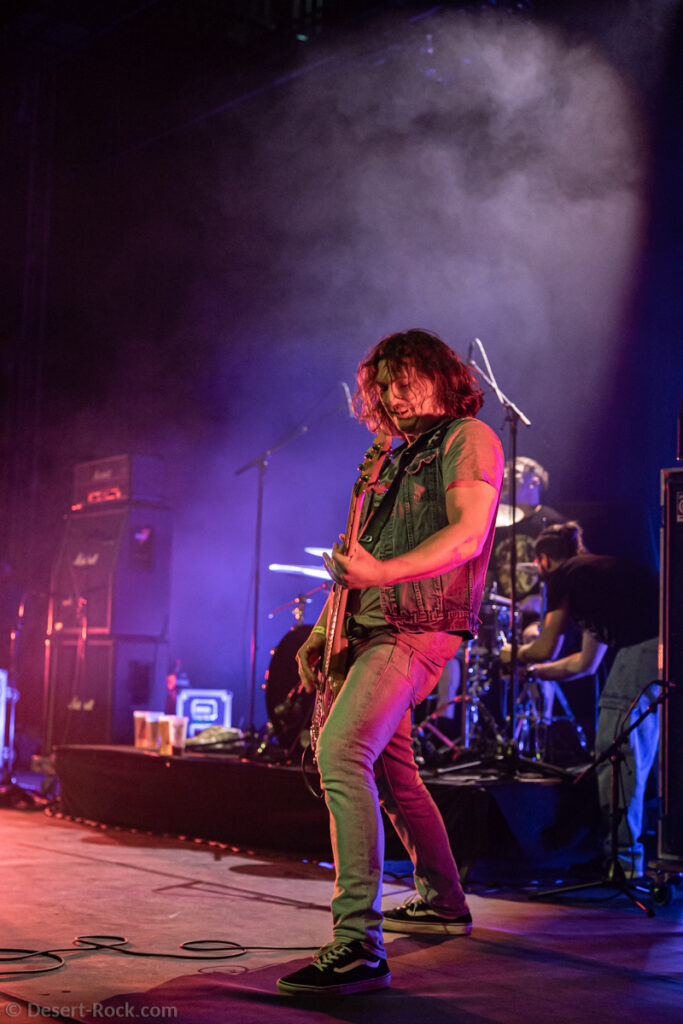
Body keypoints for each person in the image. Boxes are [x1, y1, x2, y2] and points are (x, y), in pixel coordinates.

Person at [277, 329, 503, 997]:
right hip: (368, 626)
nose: (393, 396)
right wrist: (325, 628)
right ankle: (443, 901)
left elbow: (467, 534)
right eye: (384, 386)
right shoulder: (386, 454)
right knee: (391, 770)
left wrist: (380, 574)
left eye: (406, 382)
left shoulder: (467, 438)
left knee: (341, 751)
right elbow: (357, 555)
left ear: (441, 377)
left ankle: (357, 945)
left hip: (416, 626)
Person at [502, 521, 659, 878]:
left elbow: (545, 647)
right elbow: (585, 664)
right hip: (665, 640)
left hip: (646, 646)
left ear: (542, 561)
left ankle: (621, 862)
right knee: (638, 752)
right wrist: (534, 672)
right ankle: (628, 857)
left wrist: (512, 655)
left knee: (615, 749)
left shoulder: (564, 575)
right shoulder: (595, 577)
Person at [489, 456, 565, 615]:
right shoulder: (496, 523)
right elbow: (488, 571)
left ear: (534, 482)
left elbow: (567, 574)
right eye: (505, 471)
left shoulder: (553, 523)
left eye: (514, 472)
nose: (505, 475)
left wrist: (542, 599)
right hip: (502, 612)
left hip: (541, 614)